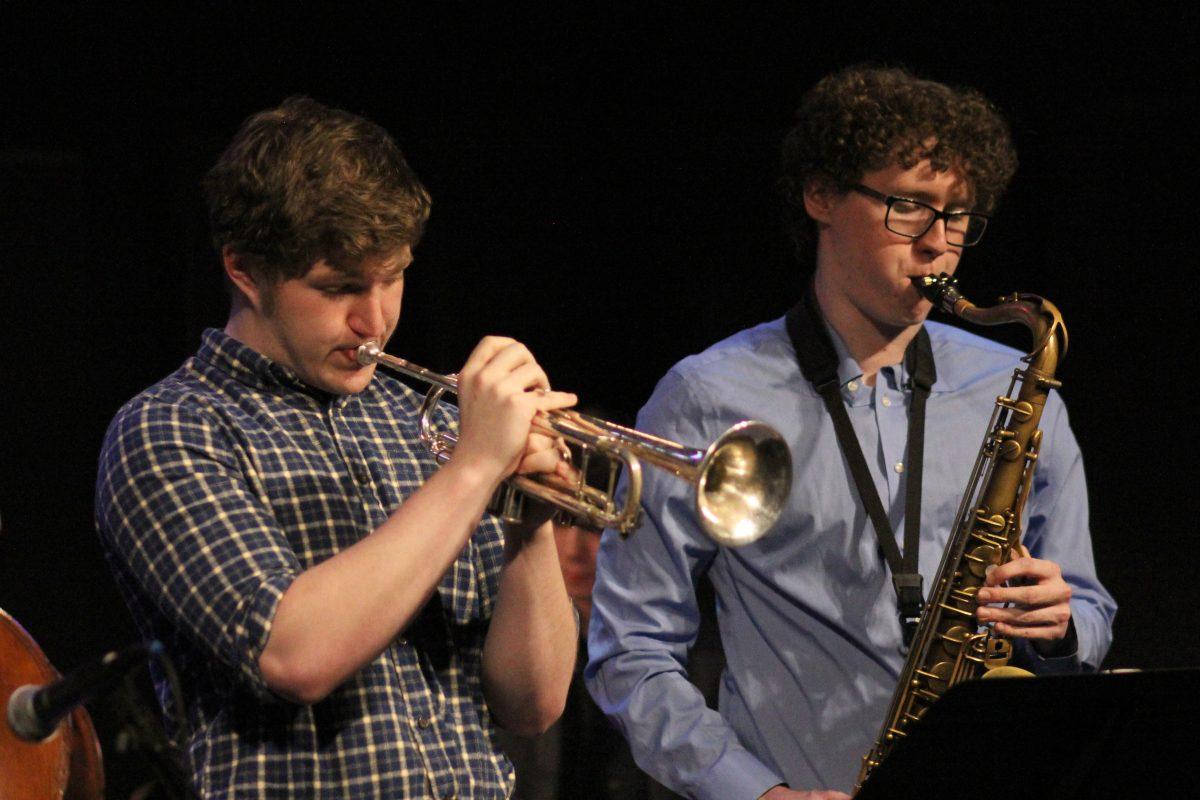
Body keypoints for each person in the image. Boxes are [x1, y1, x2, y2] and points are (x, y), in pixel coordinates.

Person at [584, 65, 1117, 799]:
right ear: (821, 196)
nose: (939, 245)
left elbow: (1091, 613)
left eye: (957, 215)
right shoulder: (708, 396)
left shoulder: (1018, 391)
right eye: (909, 208)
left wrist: (1060, 625)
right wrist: (752, 793)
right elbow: (631, 653)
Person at [95, 96, 581, 799]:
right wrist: (476, 468)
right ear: (245, 271)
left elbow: (532, 706)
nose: (375, 319)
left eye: (394, 278)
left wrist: (527, 523)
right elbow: (295, 655)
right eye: (340, 288)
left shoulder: (423, 421)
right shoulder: (170, 429)